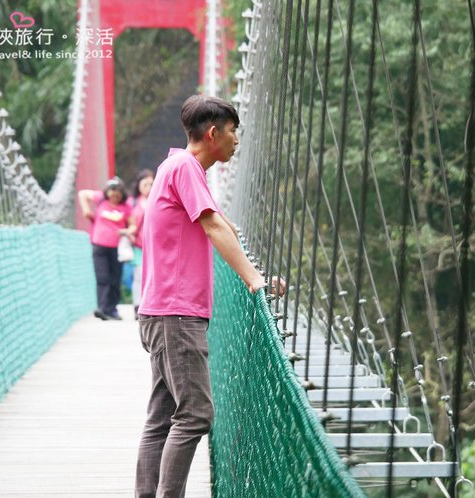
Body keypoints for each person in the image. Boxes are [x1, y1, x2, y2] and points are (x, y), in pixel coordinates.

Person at [134, 95, 285, 498]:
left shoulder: (177, 167)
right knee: (196, 414)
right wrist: (255, 282)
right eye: (234, 131)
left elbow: (223, 223)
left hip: (162, 312)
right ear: (214, 133)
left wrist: (260, 274)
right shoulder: (185, 167)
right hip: (175, 315)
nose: (237, 140)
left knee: (163, 417)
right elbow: (214, 227)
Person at [78, 177, 136, 321]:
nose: (114, 195)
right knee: (102, 277)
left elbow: (133, 225)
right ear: (107, 192)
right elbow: (83, 194)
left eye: (118, 192)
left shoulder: (126, 207)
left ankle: (112, 309)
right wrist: (86, 211)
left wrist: (127, 231)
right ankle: (103, 308)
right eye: (112, 191)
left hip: (117, 248)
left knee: (115, 279)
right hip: (99, 245)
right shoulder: (101, 200)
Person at [129, 169, 155, 319]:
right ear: (139, 185)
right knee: (139, 275)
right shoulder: (133, 204)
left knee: (152, 275)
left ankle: (149, 305)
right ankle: (138, 305)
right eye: (145, 184)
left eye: (152, 184)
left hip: (155, 246)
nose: (149, 188)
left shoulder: (159, 200)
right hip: (139, 245)